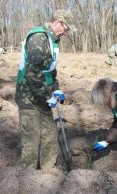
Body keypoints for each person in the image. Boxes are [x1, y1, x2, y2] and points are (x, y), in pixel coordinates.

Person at [15, 9, 76, 170]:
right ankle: (29, 176)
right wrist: (46, 96)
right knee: (32, 139)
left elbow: (49, 70)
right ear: (57, 22)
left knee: (49, 136)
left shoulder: (52, 40)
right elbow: (33, 73)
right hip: (29, 97)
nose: (66, 33)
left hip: (43, 96)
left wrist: (55, 89)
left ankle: (48, 172)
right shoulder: (38, 38)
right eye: (66, 29)